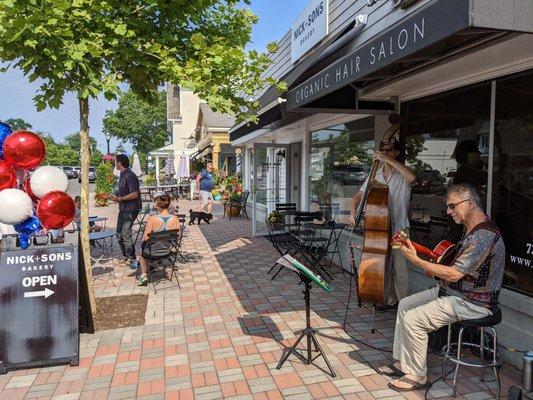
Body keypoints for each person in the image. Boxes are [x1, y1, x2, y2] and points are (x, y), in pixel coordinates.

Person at [380, 183, 505, 391]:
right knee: (405, 304)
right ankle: (404, 361)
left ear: (470, 204)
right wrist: (434, 268)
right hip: (455, 293)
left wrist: (418, 261)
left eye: (452, 206)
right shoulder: (472, 230)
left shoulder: (484, 236)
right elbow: (456, 269)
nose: (448, 211)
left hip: (473, 302)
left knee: (414, 319)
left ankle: (417, 375)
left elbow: (455, 273)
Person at [349, 138, 417, 308]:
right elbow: (358, 196)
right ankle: (387, 299)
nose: (385, 153)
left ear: (396, 153)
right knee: (381, 266)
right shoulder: (375, 174)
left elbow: (413, 179)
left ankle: (404, 306)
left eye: (389, 150)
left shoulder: (403, 173)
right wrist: (353, 213)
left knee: (399, 269)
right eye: (383, 151)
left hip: (398, 231)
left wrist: (387, 159)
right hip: (378, 230)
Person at [136, 192, 180, 286]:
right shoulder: (175, 218)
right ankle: (152, 266)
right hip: (167, 251)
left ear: (158, 205)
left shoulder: (152, 219)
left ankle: (144, 274)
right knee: (145, 246)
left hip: (152, 253)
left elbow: (145, 237)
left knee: (141, 249)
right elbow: (177, 236)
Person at [107, 154, 142, 269]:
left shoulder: (130, 175)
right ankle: (126, 256)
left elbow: (135, 194)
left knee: (126, 233)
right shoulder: (122, 175)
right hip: (123, 208)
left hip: (131, 209)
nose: (114, 163)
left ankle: (132, 259)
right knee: (119, 233)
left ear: (120, 162)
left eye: (115, 161)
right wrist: (114, 197)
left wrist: (120, 198)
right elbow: (124, 193)